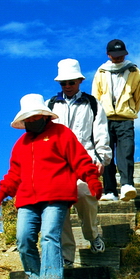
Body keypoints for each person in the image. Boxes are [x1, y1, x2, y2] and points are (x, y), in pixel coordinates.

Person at [0, 94, 103, 279]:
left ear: (44, 115)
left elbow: (80, 160)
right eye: (28, 119)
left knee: (50, 236)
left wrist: (91, 180)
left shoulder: (62, 134)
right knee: (23, 239)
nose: (32, 121)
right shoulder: (20, 144)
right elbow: (14, 175)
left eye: (35, 117)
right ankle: (34, 278)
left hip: (57, 196)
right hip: (26, 200)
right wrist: (1, 193)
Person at [47, 58, 111, 264]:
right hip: (57, 165)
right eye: (63, 83)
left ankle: (92, 235)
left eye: (71, 82)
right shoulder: (50, 105)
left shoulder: (92, 103)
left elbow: (101, 131)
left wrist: (102, 157)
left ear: (80, 81)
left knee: (86, 195)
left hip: (85, 159)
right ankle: (66, 253)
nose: (67, 86)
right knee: (59, 207)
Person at [92, 38, 140, 201]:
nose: (118, 58)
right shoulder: (101, 72)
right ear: (108, 55)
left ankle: (127, 185)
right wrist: (97, 117)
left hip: (125, 118)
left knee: (126, 151)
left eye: (121, 54)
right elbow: (96, 95)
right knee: (105, 154)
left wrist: (130, 110)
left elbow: (139, 96)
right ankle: (109, 191)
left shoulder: (135, 72)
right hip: (105, 119)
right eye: (115, 55)